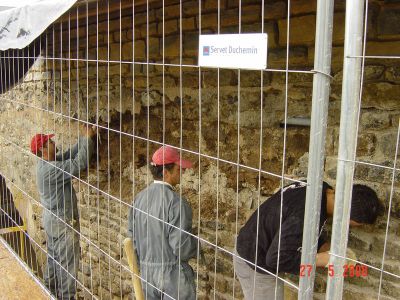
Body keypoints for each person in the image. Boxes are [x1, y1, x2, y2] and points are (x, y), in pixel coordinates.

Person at [234, 181, 381, 300]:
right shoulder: (306, 214)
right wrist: (322, 259)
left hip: (254, 247)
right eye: (352, 225)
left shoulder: (320, 189)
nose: (349, 228)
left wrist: (323, 246)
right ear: (344, 216)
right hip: (255, 263)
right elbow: (275, 259)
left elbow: (299, 231)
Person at [31, 124, 96, 300]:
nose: (53, 142)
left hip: (53, 221)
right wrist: (89, 139)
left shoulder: (47, 164)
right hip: (62, 224)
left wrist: (83, 137)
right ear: (43, 149)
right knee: (68, 268)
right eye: (49, 141)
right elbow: (78, 163)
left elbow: (69, 154)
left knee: (53, 261)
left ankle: (47, 293)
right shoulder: (50, 170)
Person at [127, 146, 198, 300]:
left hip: (146, 275)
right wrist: (197, 244)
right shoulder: (176, 203)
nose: (182, 173)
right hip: (173, 277)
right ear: (166, 172)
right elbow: (182, 248)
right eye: (179, 169)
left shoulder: (138, 199)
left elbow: (132, 240)